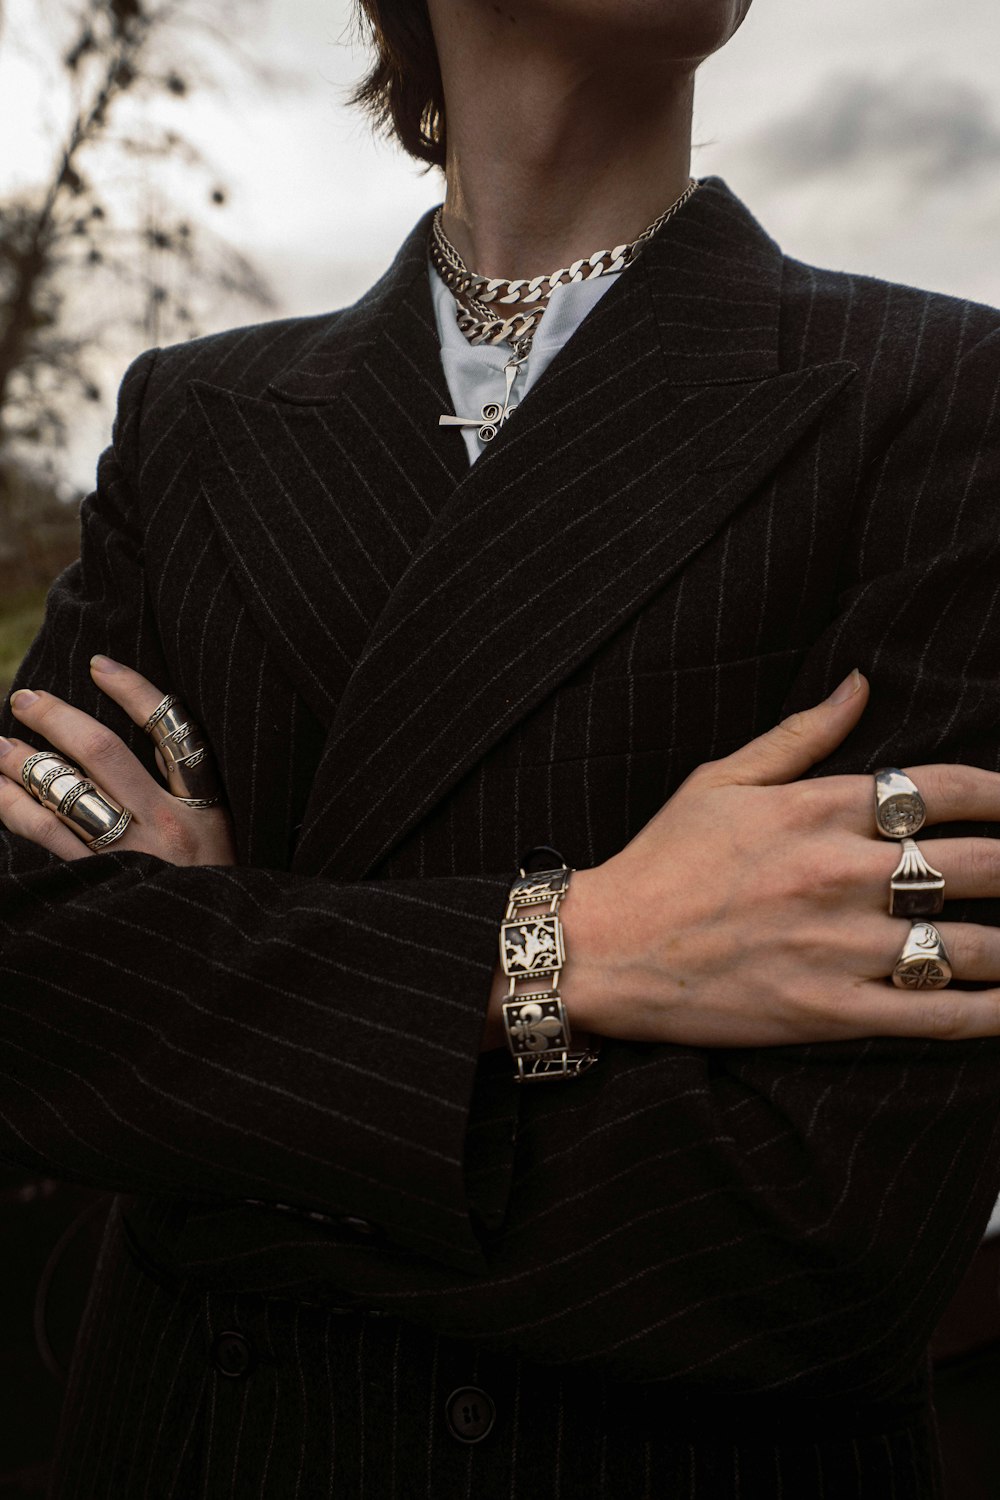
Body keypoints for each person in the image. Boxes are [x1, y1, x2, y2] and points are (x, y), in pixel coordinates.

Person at [1, 1, 999, 1494]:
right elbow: (34, 998)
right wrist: (567, 942)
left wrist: (200, 1118)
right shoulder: (194, 423)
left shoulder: (938, 401)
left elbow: (831, 1234)